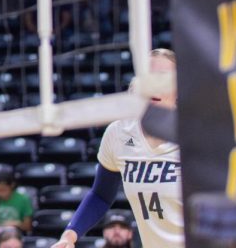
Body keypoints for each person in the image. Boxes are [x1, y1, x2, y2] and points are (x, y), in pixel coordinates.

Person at [51, 49, 182, 248]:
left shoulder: (197, 136)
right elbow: (101, 195)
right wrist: (69, 236)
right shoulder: (119, 133)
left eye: (162, 78)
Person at [0, 169, 34, 235]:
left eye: (3, 190)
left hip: (15, 236)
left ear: (12, 185)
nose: (0, 194)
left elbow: (28, 227)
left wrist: (17, 224)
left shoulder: (23, 199)